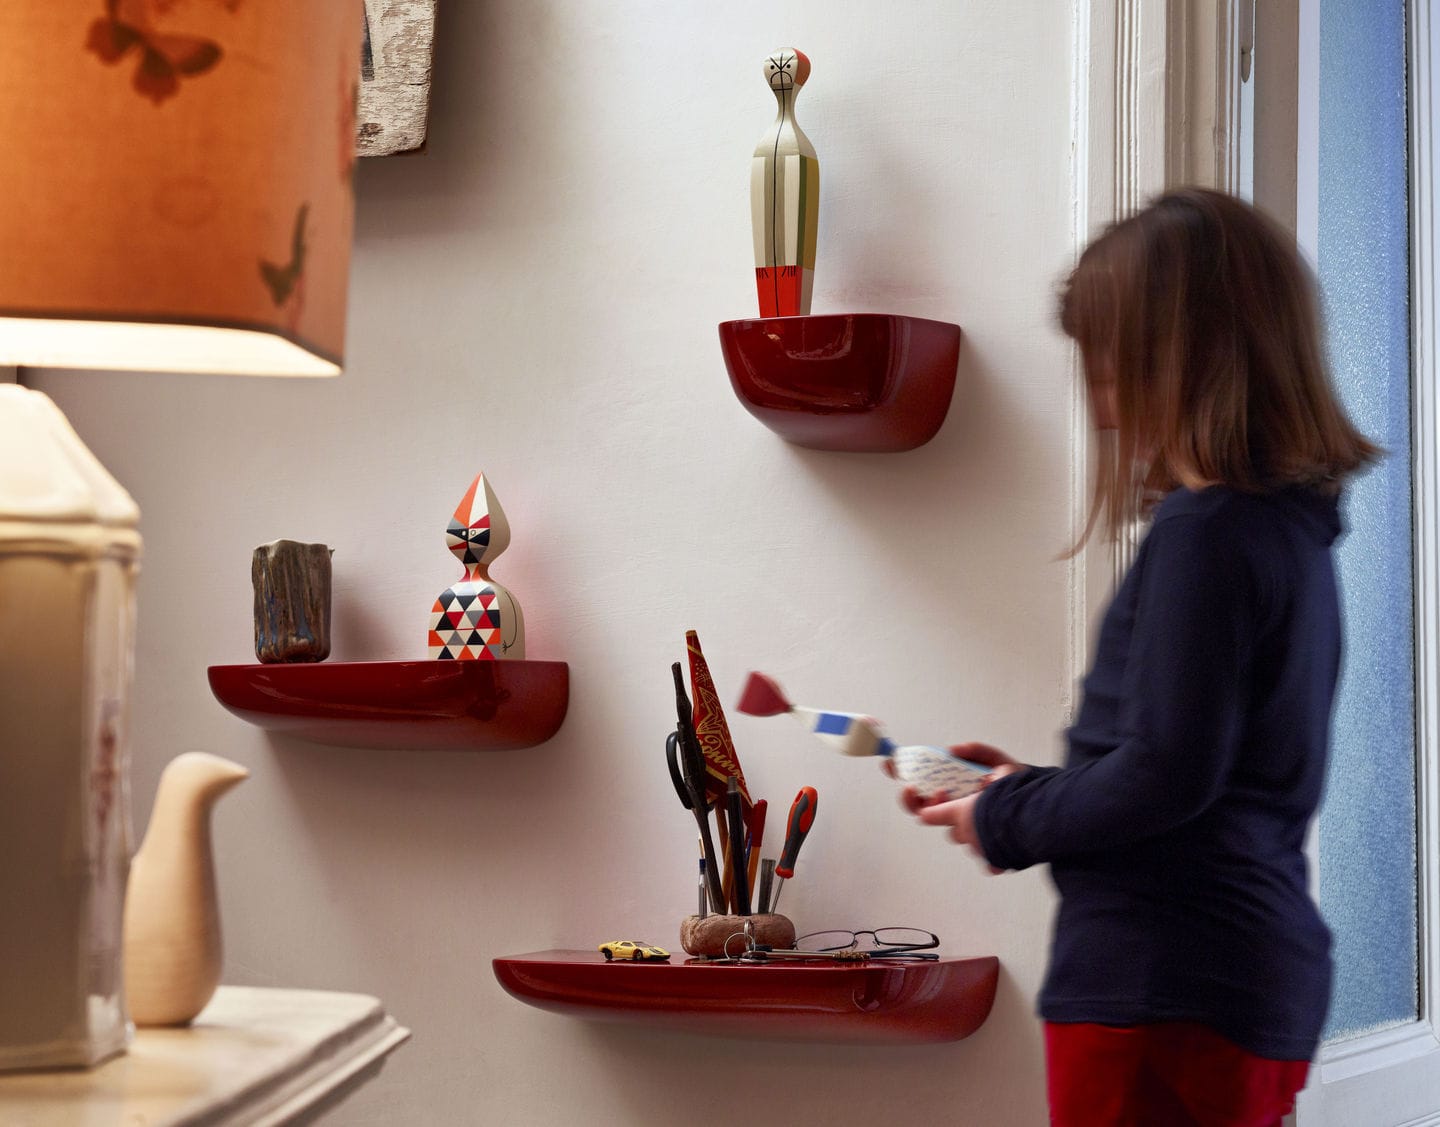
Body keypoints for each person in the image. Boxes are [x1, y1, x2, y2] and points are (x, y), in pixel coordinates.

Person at [904, 188, 1379, 1127]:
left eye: (1111, 365)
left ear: (1184, 355)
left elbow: (1166, 774)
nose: (1103, 406)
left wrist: (1006, 816)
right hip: (1243, 973)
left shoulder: (1207, 532)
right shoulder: (1289, 533)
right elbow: (1201, 768)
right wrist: (1034, 791)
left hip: (1161, 984)